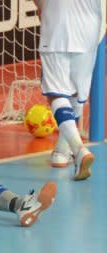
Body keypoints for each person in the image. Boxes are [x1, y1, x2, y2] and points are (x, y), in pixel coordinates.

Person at [34, 0, 102, 179]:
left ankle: (79, 150)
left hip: (58, 24)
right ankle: (62, 151)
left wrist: (41, 8)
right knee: (75, 92)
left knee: (56, 92)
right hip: (89, 29)